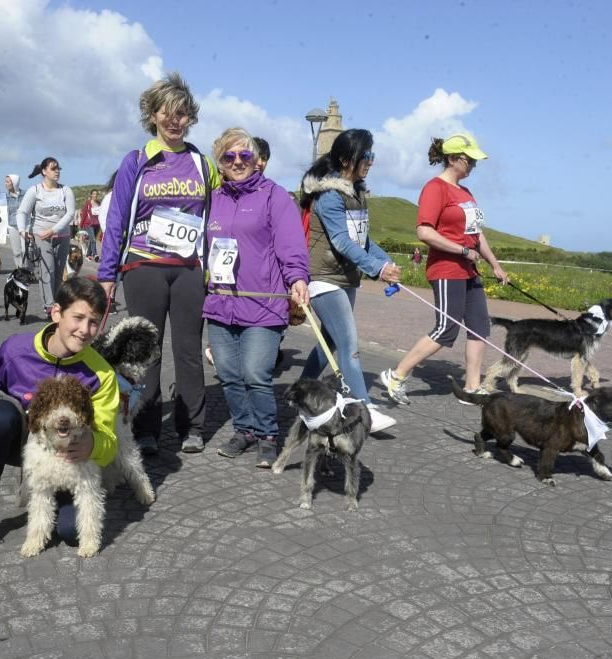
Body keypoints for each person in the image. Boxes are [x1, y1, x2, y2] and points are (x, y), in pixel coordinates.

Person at [97, 72, 220, 455]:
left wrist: (217, 269)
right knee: (146, 351)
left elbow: (216, 221)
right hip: (143, 268)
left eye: (182, 113)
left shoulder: (203, 164)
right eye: (165, 113)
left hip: (188, 269)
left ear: (190, 118)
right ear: (152, 116)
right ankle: (147, 427)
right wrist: (106, 275)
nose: (174, 120)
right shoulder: (136, 160)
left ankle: (192, 426)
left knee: (187, 349)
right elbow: (117, 218)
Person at [0, 277, 119, 562]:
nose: (85, 330)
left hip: (72, 452)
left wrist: (92, 444)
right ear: (56, 312)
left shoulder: (102, 374)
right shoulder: (16, 349)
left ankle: (59, 500)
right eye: (78, 318)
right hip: (23, 438)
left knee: (69, 532)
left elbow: (109, 439)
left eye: (94, 322)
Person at [203, 128, 309, 466]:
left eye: (244, 155)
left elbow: (291, 246)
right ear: (220, 162)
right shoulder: (212, 199)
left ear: (256, 160)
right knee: (229, 373)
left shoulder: (275, 196)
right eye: (229, 156)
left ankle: (267, 434)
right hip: (220, 304)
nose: (237, 162)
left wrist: (297, 280)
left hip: (263, 304)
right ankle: (244, 429)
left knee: (254, 372)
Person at [380, 133, 508, 406]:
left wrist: (494, 264)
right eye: (469, 159)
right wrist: (461, 250)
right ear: (452, 158)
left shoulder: (467, 193)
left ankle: (472, 387)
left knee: (479, 327)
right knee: (447, 328)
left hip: (470, 269)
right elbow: (424, 231)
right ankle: (396, 374)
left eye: (475, 160)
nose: (474, 164)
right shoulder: (435, 188)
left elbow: (476, 234)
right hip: (447, 268)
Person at [298, 128, 400, 433]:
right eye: (365, 155)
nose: (370, 161)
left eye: (372, 155)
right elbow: (342, 242)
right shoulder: (330, 196)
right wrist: (377, 270)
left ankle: (301, 395)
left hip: (345, 278)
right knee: (349, 345)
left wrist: (385, 263)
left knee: (328, 343)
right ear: (346, 159)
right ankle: (364, 408)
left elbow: (363, 240)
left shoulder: (357, 193)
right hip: (324, 279)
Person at [17, 157, 75, 313]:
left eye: (58, 168)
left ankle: (57, 302)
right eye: (53, 168)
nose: (57, 171)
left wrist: (54, 230)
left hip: (62, 236)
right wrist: (22, 230)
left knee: (58, 271)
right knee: (47, 270)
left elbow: (70, 214)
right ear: (44, 171)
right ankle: (50, 306)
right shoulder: (35, 190)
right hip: (41, 237)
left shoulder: (65, 190)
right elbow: (22, 212)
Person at [3, 174, 25, 269]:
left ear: (14, 183)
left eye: (7, 182)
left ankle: (29, 270)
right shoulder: (5, 197)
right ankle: (20, 271)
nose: (5, 184)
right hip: (12, 226)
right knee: (16, 252)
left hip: (25, 225)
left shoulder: (26, 194)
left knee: (26, 250)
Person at [78, 189, 101, 260]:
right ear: (91, 195)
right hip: (89, 224)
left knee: (91, 240)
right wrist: (81, 225)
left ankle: (88, 255)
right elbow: (84, 214)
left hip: (97, 224)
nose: (95, 195)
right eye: (94, 194)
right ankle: (95, 254)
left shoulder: (99, 203)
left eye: (96, 194)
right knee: (93, 239)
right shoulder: (88, 203)